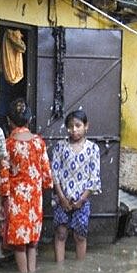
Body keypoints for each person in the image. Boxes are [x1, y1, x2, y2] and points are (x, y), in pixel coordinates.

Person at [0, 100, 53, 273]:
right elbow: (47, 177)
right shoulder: (39, 143)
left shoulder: (8, 144)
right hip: (35, 199)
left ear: (9, 121)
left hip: (16, 199)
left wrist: (0, 204)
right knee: (32, 244)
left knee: (19, 245)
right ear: (29, 120)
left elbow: (3, 180)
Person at [51, 109, 101, 262]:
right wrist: (61, 197)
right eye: (71, 126)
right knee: (61, 233)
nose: (74, 130)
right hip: (62, 199)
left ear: (86, 126)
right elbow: (55, 174)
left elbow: (94, 178)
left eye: (78, 125)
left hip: (82, 201)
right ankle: (59, 270)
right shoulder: (60, 147)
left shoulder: (93, 149)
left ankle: (80, 268)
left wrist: (81, 200)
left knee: (80, 236)